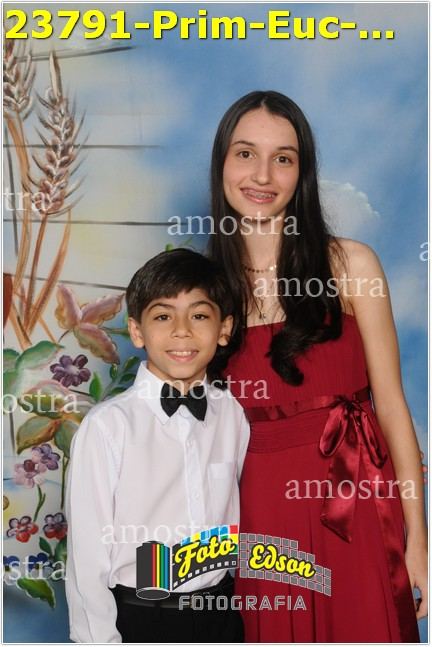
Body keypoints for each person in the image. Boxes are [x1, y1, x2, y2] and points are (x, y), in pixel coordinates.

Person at [208, 90, 427, 642]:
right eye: (245, 154)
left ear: (301, 173)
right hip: (258, 517)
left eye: (282, 158)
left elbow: (392, 407)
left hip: (356, 501)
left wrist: (419, 541)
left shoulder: (351, 264)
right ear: (221, 164)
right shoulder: (203, 292)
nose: (262, 175)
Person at [65, 249, 249, 643]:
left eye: (199, 316)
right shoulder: (107, 428)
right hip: (141, 617)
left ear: (224, 328)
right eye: (163, 317)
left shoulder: (232, 414)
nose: (182, 331)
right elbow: (86, 560)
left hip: (221, 614)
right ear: (137, 331)